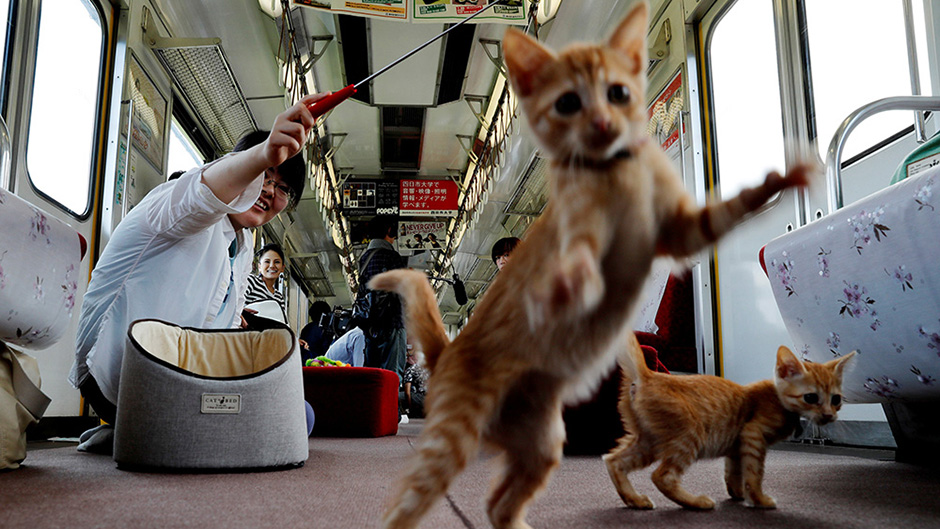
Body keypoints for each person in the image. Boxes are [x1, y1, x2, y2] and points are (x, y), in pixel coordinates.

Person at [69, 92, 327, 443]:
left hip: (177, 378)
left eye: (282, 188)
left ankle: (135, 437)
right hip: (119, 370)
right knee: (286, 420)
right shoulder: (177, 203)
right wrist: (263, 153)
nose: (269, 191)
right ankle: (142, 434)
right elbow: (202, 194)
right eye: (264, 175)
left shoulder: (243, 246)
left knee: (299, 413)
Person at [356, 216, 408, 379]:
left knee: (373, 373)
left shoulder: (364, 259)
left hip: (370, 325)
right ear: (389, 230)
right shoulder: (392, 257)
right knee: (392, 375)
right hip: (392, 322)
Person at [244, 242, 288, 321]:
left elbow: (282, 321)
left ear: (282, 268)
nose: (272, 266)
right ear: (259, 266)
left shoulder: (279, 297)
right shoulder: (251, 281)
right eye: (267, 261)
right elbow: (235, 304)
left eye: (277, 262)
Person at [399, 348, 429, 419]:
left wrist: (409, 407)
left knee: (397, 395)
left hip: (420, 399)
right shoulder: (428, 367)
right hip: (431, 398)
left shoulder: (411, 369)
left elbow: (407, 392)